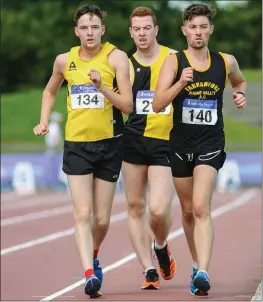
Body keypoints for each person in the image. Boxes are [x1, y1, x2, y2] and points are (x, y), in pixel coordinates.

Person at [33, 4, 133, 298]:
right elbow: (50, 90)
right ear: (76, 31)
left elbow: (127, 105)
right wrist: (43, 120)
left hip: (110, 142)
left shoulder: (117, 58)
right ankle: (88, 273)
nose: (90, 32)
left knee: (101, 219)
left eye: (95, 27)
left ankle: (95, 252)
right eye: (84, 28)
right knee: (82, 212)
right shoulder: (65, 61)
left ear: (103, 29)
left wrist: (103, 87)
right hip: (76, 145)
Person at [152, 3, 247, 296]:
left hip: (210, 144)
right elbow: (157, 104)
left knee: (202, 207)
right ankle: (196, 263)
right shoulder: (174, 62)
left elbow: (239, 81)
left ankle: (203, 270)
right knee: (188, 210)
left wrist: (239, 93)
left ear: (210, 30)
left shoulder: (225, 61)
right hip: (180, 145)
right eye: (192, 27)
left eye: (203, 27)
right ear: (184, 30)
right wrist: (181, 82)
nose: (198, 32)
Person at [121, 7, 176, 290]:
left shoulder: (173, 58)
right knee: (134, 206)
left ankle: (161, 244)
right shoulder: (124, 64)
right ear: (131, 32)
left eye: (147, 28)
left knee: (157, 209)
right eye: (137, 29)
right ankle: (148, 269)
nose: (142, 34)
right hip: (132, 142)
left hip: (164, 142)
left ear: (156, 29)